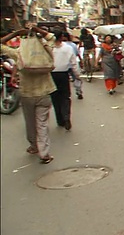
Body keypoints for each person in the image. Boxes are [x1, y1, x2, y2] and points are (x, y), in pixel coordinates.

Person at [0, 25, 56, 164]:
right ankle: (45, 154)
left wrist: (16, 33)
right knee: (42, 124)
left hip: (27, 94)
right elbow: (51, 37)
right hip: (45, 92)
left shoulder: (19, 53)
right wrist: (37, 30)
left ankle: (33, 146)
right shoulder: (46, 51)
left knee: (30, 123)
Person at [51, 31, 81, 130]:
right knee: (65, 97)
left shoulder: (48, 48)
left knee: (55, 98)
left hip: (51, 75)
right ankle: (66, 116)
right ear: (62, 37)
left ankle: (60, 120)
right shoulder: (68, 48)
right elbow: (73, 63)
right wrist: (77, 75)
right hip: (63, 74)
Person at [61, 31, 83, 99]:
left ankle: (65, 93)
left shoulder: (60, 45)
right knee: (77, 78)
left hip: (63, 66)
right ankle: (79, 91)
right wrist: (81, 61)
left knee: (64, 81)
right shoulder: (72, 45)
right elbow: (77, 54)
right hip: (73, 65)